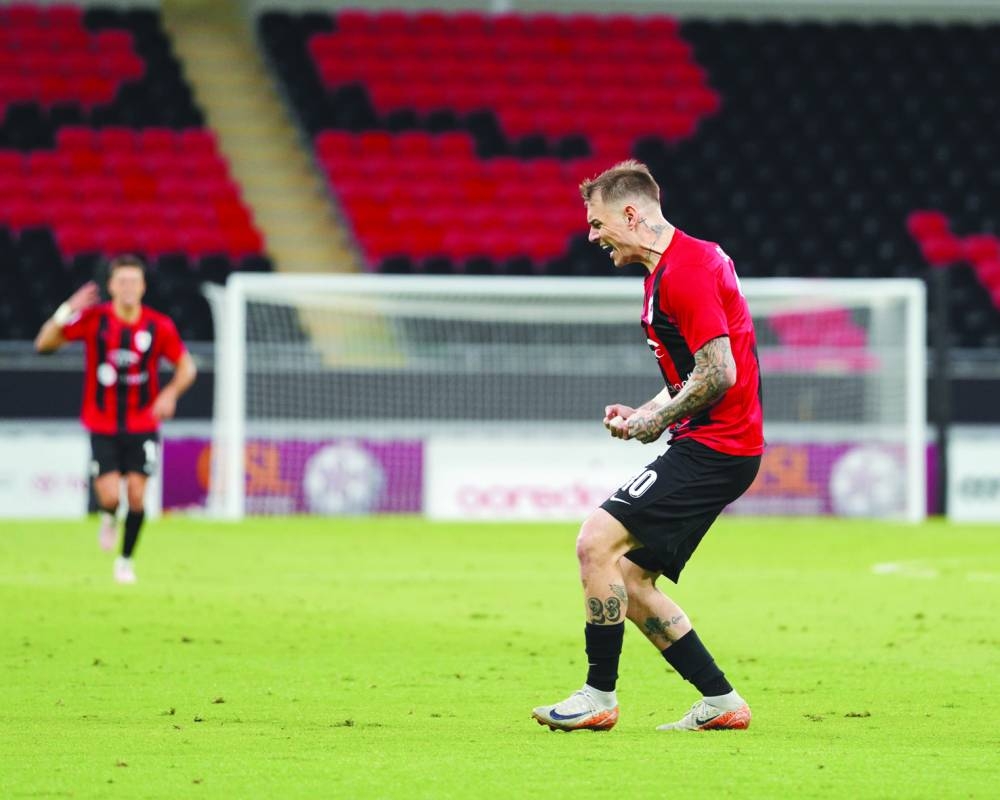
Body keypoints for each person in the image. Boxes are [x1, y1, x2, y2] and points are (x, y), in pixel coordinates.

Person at [532, 160, 764, 732]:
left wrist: (654, 425)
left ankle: (598, 695)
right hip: (722, 444)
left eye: (597, 223)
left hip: (715, 446)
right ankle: (721, 701)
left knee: (595, 543)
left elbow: (719, 373)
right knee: (630, 579)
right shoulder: (688, 261)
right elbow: (694, 371)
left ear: (630, 214)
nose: (592, 236)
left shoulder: (682, 272)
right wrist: (648, 411)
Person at [34, 254, 197, 584]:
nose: (127, 287)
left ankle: (125, 561)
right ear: (110, 285)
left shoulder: (158, 325)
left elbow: (187, 368)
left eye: (133, 281)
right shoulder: (94, 320)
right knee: (110, 497)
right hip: (103, 424)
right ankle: (109, 518)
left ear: (143, 287)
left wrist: (169, 395)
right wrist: (68, 309)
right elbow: (43, 344)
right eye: (121, 281)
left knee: (137, 496)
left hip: (143, 424)